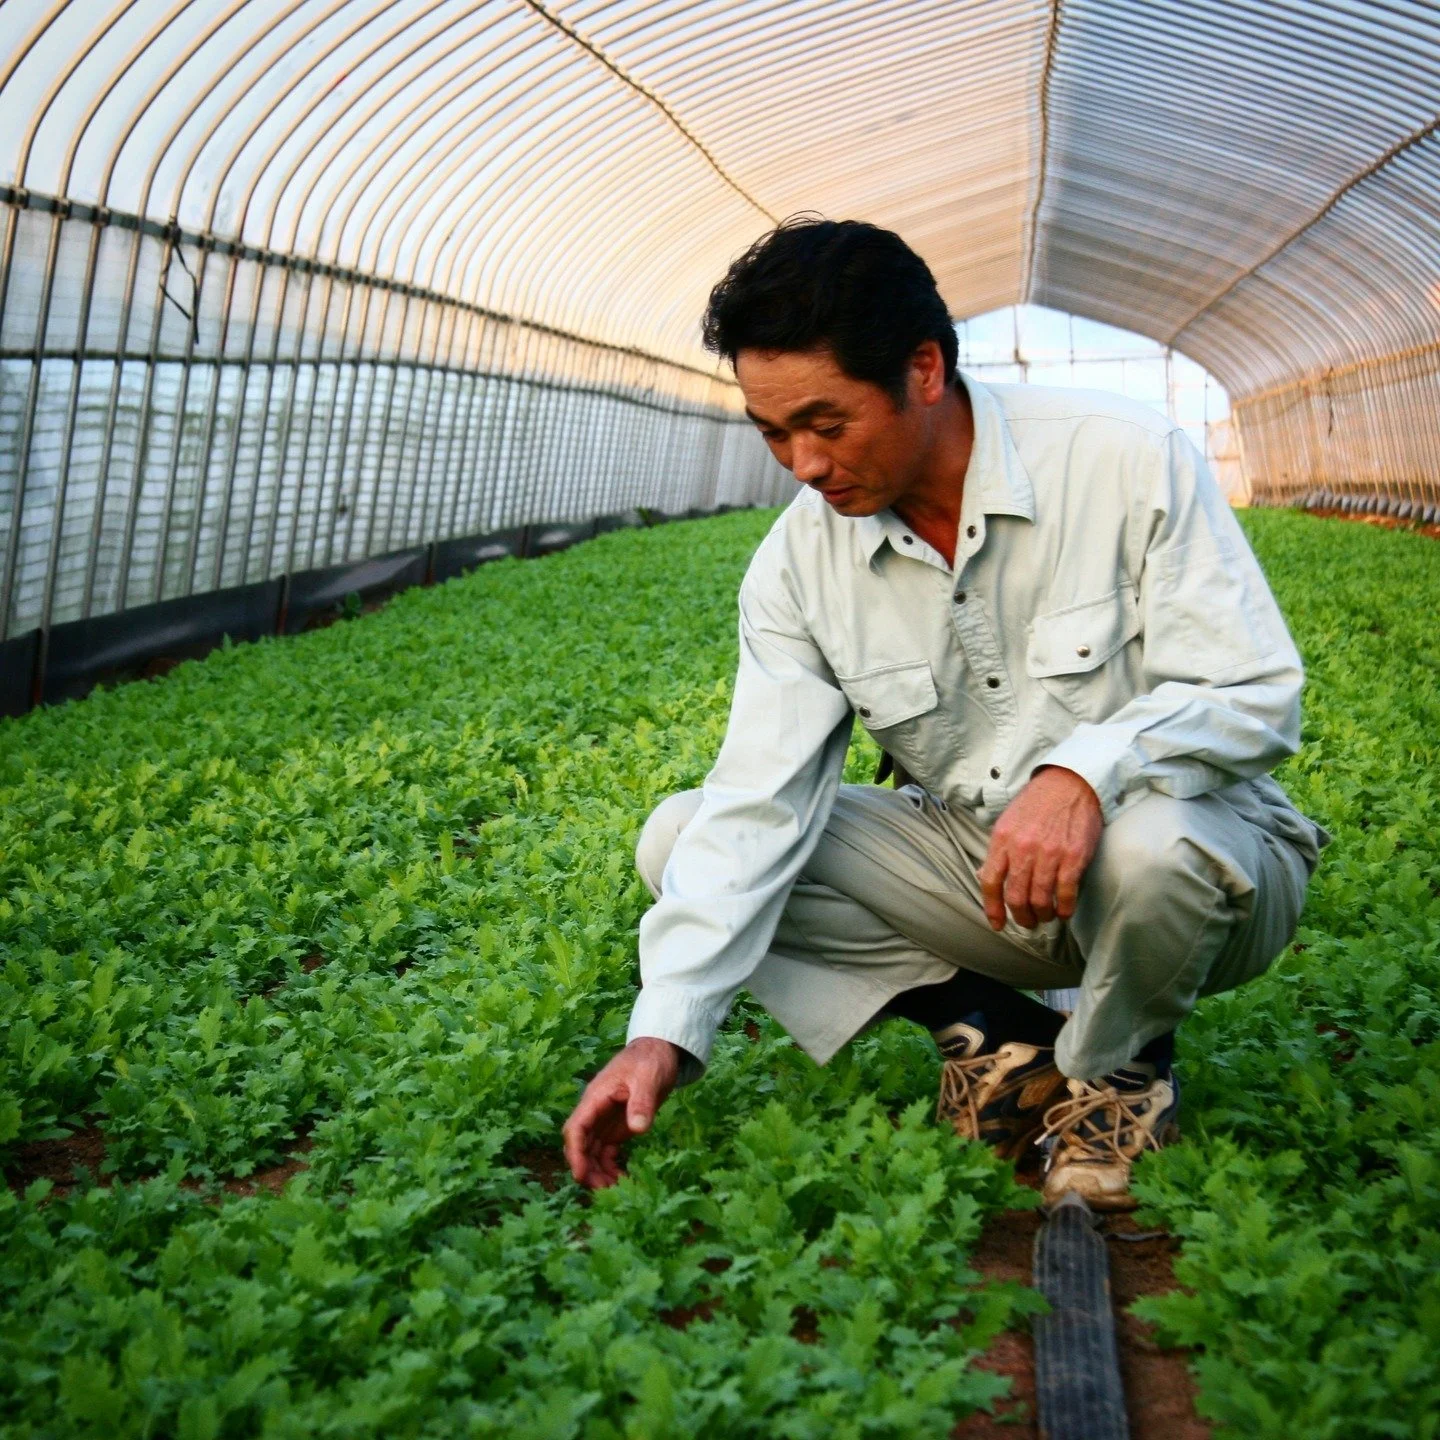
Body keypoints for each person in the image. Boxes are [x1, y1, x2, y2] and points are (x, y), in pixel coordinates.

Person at [562, 218, 1327, 1210]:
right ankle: (995, 1042)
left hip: (1205, 866)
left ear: (924, 369)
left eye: (826, 424)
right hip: (983, 872)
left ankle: (1118, 1074)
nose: (800, 462)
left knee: (1152, 845)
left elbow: (1254, 692)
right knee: (684, 838)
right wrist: (658, 1035)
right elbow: (760, 802)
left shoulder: (1122, 460)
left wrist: (1085, 772)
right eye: (771, 431)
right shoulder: (800, 565)